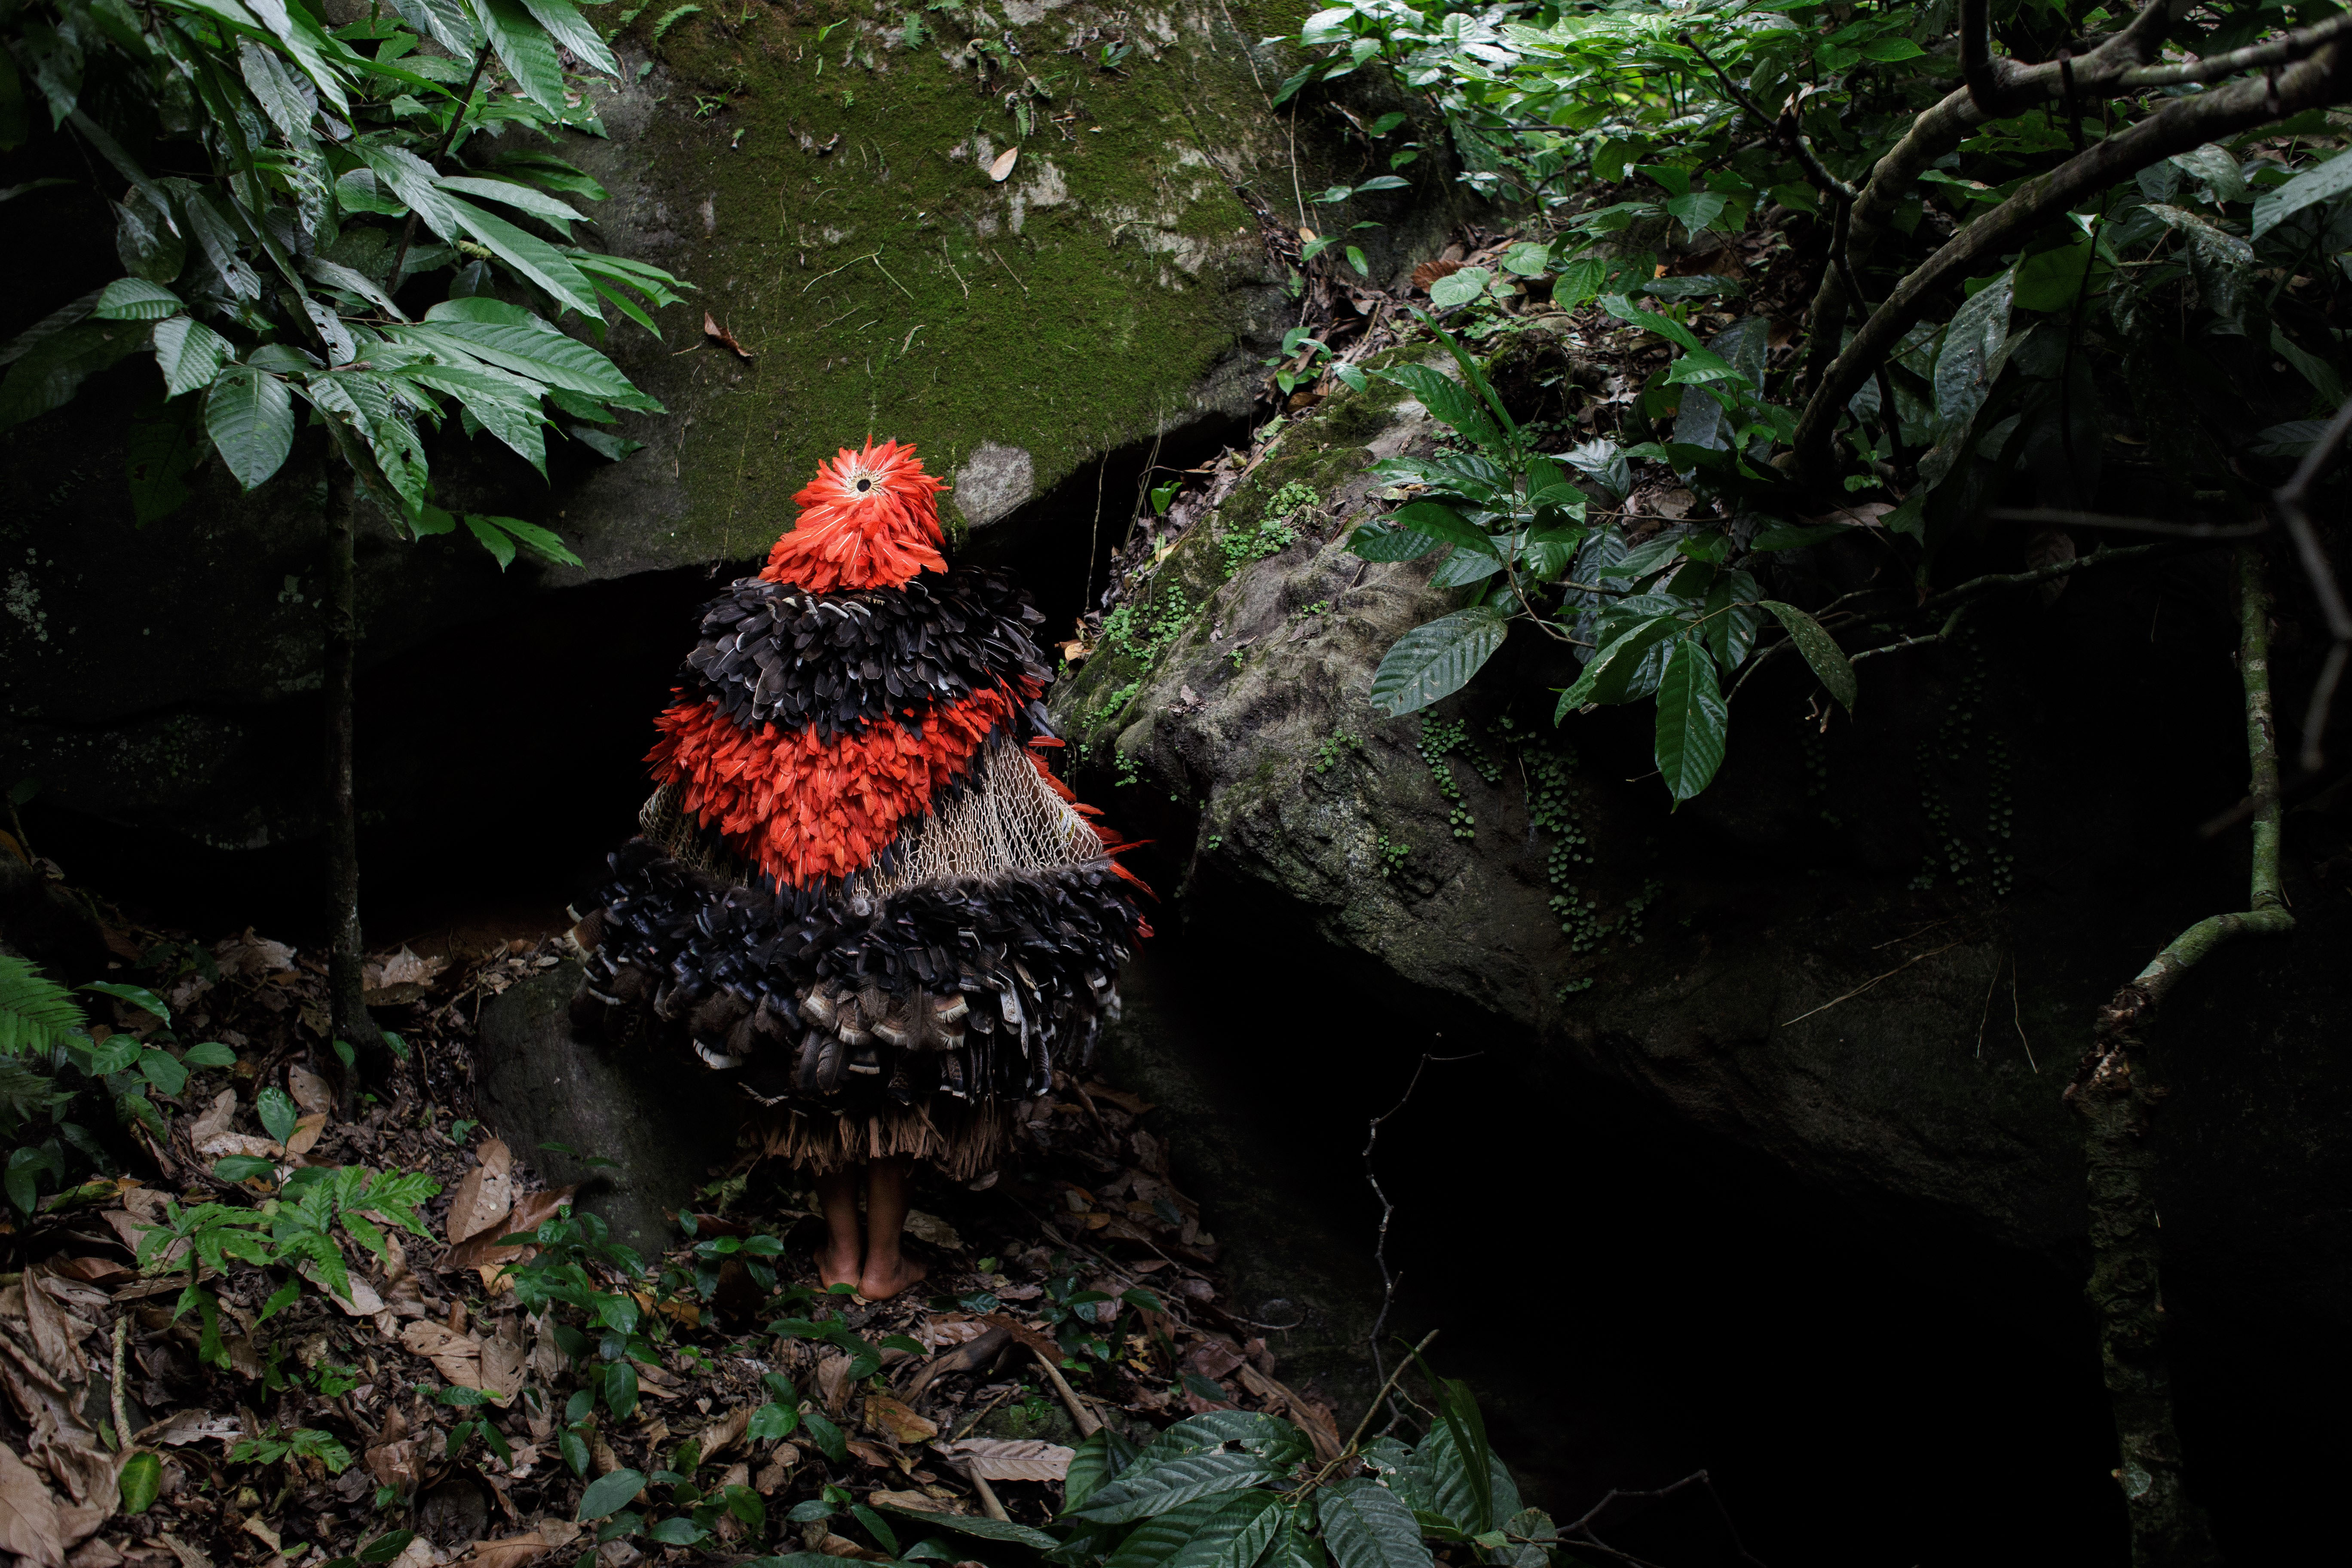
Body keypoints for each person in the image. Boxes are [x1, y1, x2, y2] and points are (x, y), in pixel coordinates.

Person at [569, 438, 1145, 1299]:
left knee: (819, 1104)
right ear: (914, 531)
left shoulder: (746, 656)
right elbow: (1010, 784)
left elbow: (687, 787)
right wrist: (1075, 856)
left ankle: (839, 1261)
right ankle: (884, 1264)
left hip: (783, 940)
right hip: (914, 946)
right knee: (896, 1107)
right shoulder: (956, 651)